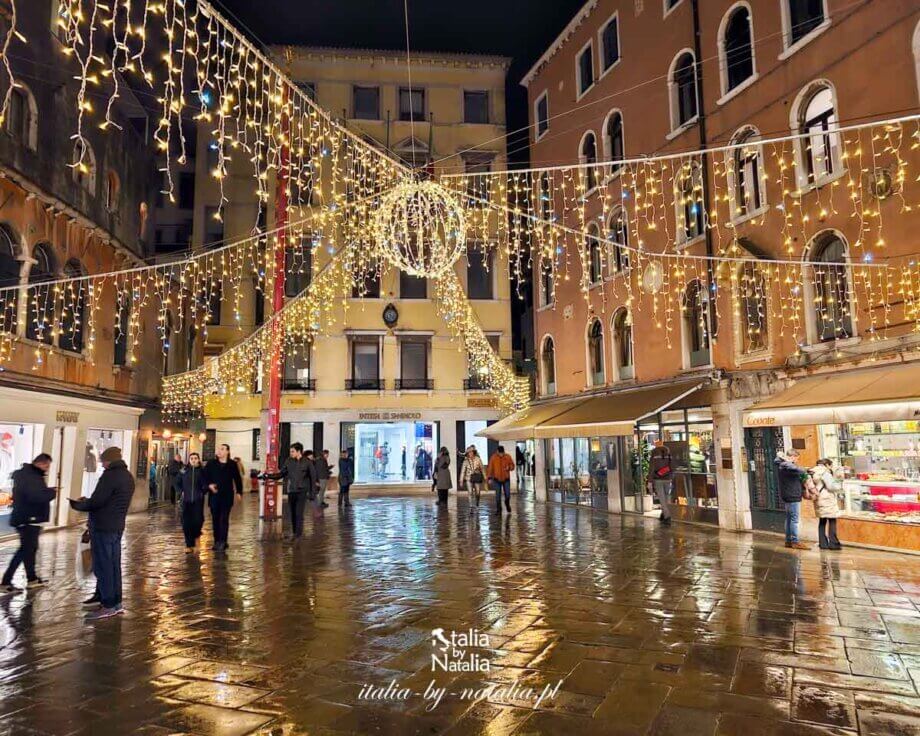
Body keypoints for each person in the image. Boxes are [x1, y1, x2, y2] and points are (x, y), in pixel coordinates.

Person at [69, 447, 135, 620]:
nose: (101, 464)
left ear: (108, 461)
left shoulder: (110, 476)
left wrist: (79, 505)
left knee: (104, 566)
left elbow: (98, 501)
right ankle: (116, 602)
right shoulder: (127, 476)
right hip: (117, 526)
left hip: (103, 526)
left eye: (103, 461)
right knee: (114, 566)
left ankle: (107, 605)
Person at [1, 454, 56, 593]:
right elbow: (36, 496)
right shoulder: (31, 476)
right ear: (40, 463)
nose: (47, 468)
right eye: (47, 465)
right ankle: (6, 581)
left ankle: (31, 579)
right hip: (28, 518)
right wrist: (51, 492)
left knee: (29, 550)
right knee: (25, 551)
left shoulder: (28, 475)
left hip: (27, 518)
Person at [261, 443, 316, 538]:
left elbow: (313, 478)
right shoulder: (288, 461)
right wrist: (268, 476)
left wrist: (312, 493)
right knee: (293, 513)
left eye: (292, 451)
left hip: (302, 491)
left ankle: (298, 534)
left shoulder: (307, 462)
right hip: (291, 491)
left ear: (299, 451)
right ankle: (295, 532)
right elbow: (281, 474)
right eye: (290, 451)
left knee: (299, 513)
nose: (291, 453)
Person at [203, 443, 243, 551]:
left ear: (227, 452)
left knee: (224, 519)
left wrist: (239, 492)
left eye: (222, 449)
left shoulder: (232, 464)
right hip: (214, 495)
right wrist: (209, 486)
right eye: (218, 449)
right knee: (215, 519)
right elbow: (204, 477)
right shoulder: (211, 464)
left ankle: (223, 541)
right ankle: (217, 541)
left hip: (227, 495)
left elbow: (237, 479)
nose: (219, 451)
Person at [775, 450, 811, 550]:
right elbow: (798, 469)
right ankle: (795, 541)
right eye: (796, 458)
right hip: (792, 495)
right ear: (793, 457)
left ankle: (788, 540)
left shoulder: (782, 465)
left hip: (788, 495)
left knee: (789, 519)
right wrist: (805, 470)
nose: (796, 460)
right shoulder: (786, 465)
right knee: (794, 519)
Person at [811, 458, 843, 550]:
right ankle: (834, 543)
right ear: (827, 465)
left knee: (822, 521)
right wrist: (839, 482)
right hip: (827, 498)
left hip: (818, 498)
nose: (831, 468)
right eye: (831, 466)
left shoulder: (814, 472)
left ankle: (823, 543)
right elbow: (831, 486)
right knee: (832, 520)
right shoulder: (825, 473)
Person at [179, 452, 208, 552]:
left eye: (195, 458)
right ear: (189, 460)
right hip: (186, 500)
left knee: (198, 520)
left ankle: (196, 534)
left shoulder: (203, 471)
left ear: (198, 459)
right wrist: (181, 491)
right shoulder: (184, 471)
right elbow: (177, 482)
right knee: (186, 522)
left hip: (197, 500)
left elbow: (206, 483)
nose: (194, 460)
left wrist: (203, 491)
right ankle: (188, 544)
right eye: (192, 458)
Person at [646, 439, 673, 525]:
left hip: (658, 479)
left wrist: (649, 481)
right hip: (668, 478)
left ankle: (667, 516)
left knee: (662, 498)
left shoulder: (654, 453)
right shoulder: (668, 453)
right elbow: (672, 466)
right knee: (667, 497)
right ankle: (663, 513)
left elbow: (651, 468)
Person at [487, 445, 515, 515]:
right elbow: (490, 468)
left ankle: (507, 503)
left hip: (506, 479)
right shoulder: (493, 457)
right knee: (498, 496)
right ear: (497, 452)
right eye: (500, 453)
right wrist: (489, 477)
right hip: (497, 479)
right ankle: (499, 510)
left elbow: (512, 466)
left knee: (508, 494)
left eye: (502, 453)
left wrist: (509, 467)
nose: (501, 454)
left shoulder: (507, 456)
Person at [459, 446, 485, 514]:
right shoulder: (465, 461)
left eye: (471, 452)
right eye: (468, 452)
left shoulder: (478, 459)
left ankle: (477, 505)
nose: (469, 454)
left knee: (478, 492)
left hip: (476, 477)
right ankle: (471, 507)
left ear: (473, 452)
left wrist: (485, 477)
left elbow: (482, 468)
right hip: (468, 478)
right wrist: (461, 480)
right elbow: (462, 471)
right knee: (470, 492)